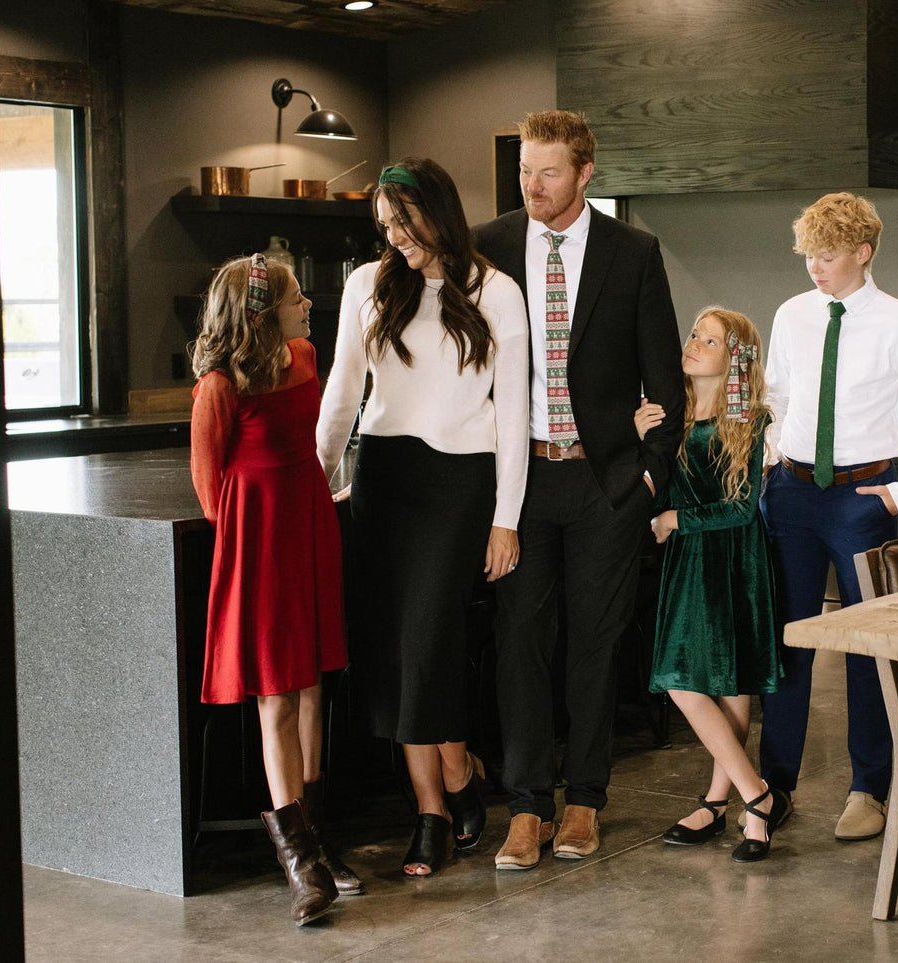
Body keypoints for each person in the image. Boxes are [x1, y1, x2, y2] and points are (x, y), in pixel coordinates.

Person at [473, 109, 684, 870]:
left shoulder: (633, 252)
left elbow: (665, 379)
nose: (532, 184)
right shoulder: (488, 246)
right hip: (519, 482)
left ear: (585, 172)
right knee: (519, 646)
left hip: (604, 484)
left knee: (594, 647)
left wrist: (647, 475)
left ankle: (585, 800)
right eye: (526, 170)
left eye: (549, 171)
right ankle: (525, 807)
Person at [317, 158, 530, 877]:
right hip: (385, 479)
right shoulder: (365, 285)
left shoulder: (496, 292)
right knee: (390, 652)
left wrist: (506, 517)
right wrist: (313, 482)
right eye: (384, 227)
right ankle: (432, 807)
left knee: (429, 644)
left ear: (438, 212)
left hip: (459, 486)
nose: (395, 238)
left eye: (404, 224)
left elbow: (513, 416)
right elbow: (341, 393)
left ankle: (460, 776)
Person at [757, 192, 898, 842]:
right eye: (808, 255)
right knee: (785, 644)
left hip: (860, 499)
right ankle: (773, 786)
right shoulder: (792, 314)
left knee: (865, 652)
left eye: (827, 255)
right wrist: (768, 464)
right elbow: (778, 397)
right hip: (789, 494)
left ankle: (867, 788)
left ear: (862, 253)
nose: (814, 267)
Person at [189, 253, 352, 925]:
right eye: (294, 297)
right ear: (261, 311)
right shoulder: (219, 387)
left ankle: (317, 834)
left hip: (309, 525)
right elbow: (208, 489)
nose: (307, 303)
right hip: (256, 543)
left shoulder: (307, 358)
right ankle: (301, 865)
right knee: (277, 695)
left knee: (313, 684)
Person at [637, 307, 787, 862]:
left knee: (727, 681)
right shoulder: (667, 414)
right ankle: (753, 797)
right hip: (688, 562)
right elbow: (649, 491)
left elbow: (744, 508)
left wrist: (677, 520)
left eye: (710, 339)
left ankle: (731, 799)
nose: (694, 343)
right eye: (694, 334)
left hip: (732, 559)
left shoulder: (751, 420)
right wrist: (637, 439)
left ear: (734, 358)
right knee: (683, 675)